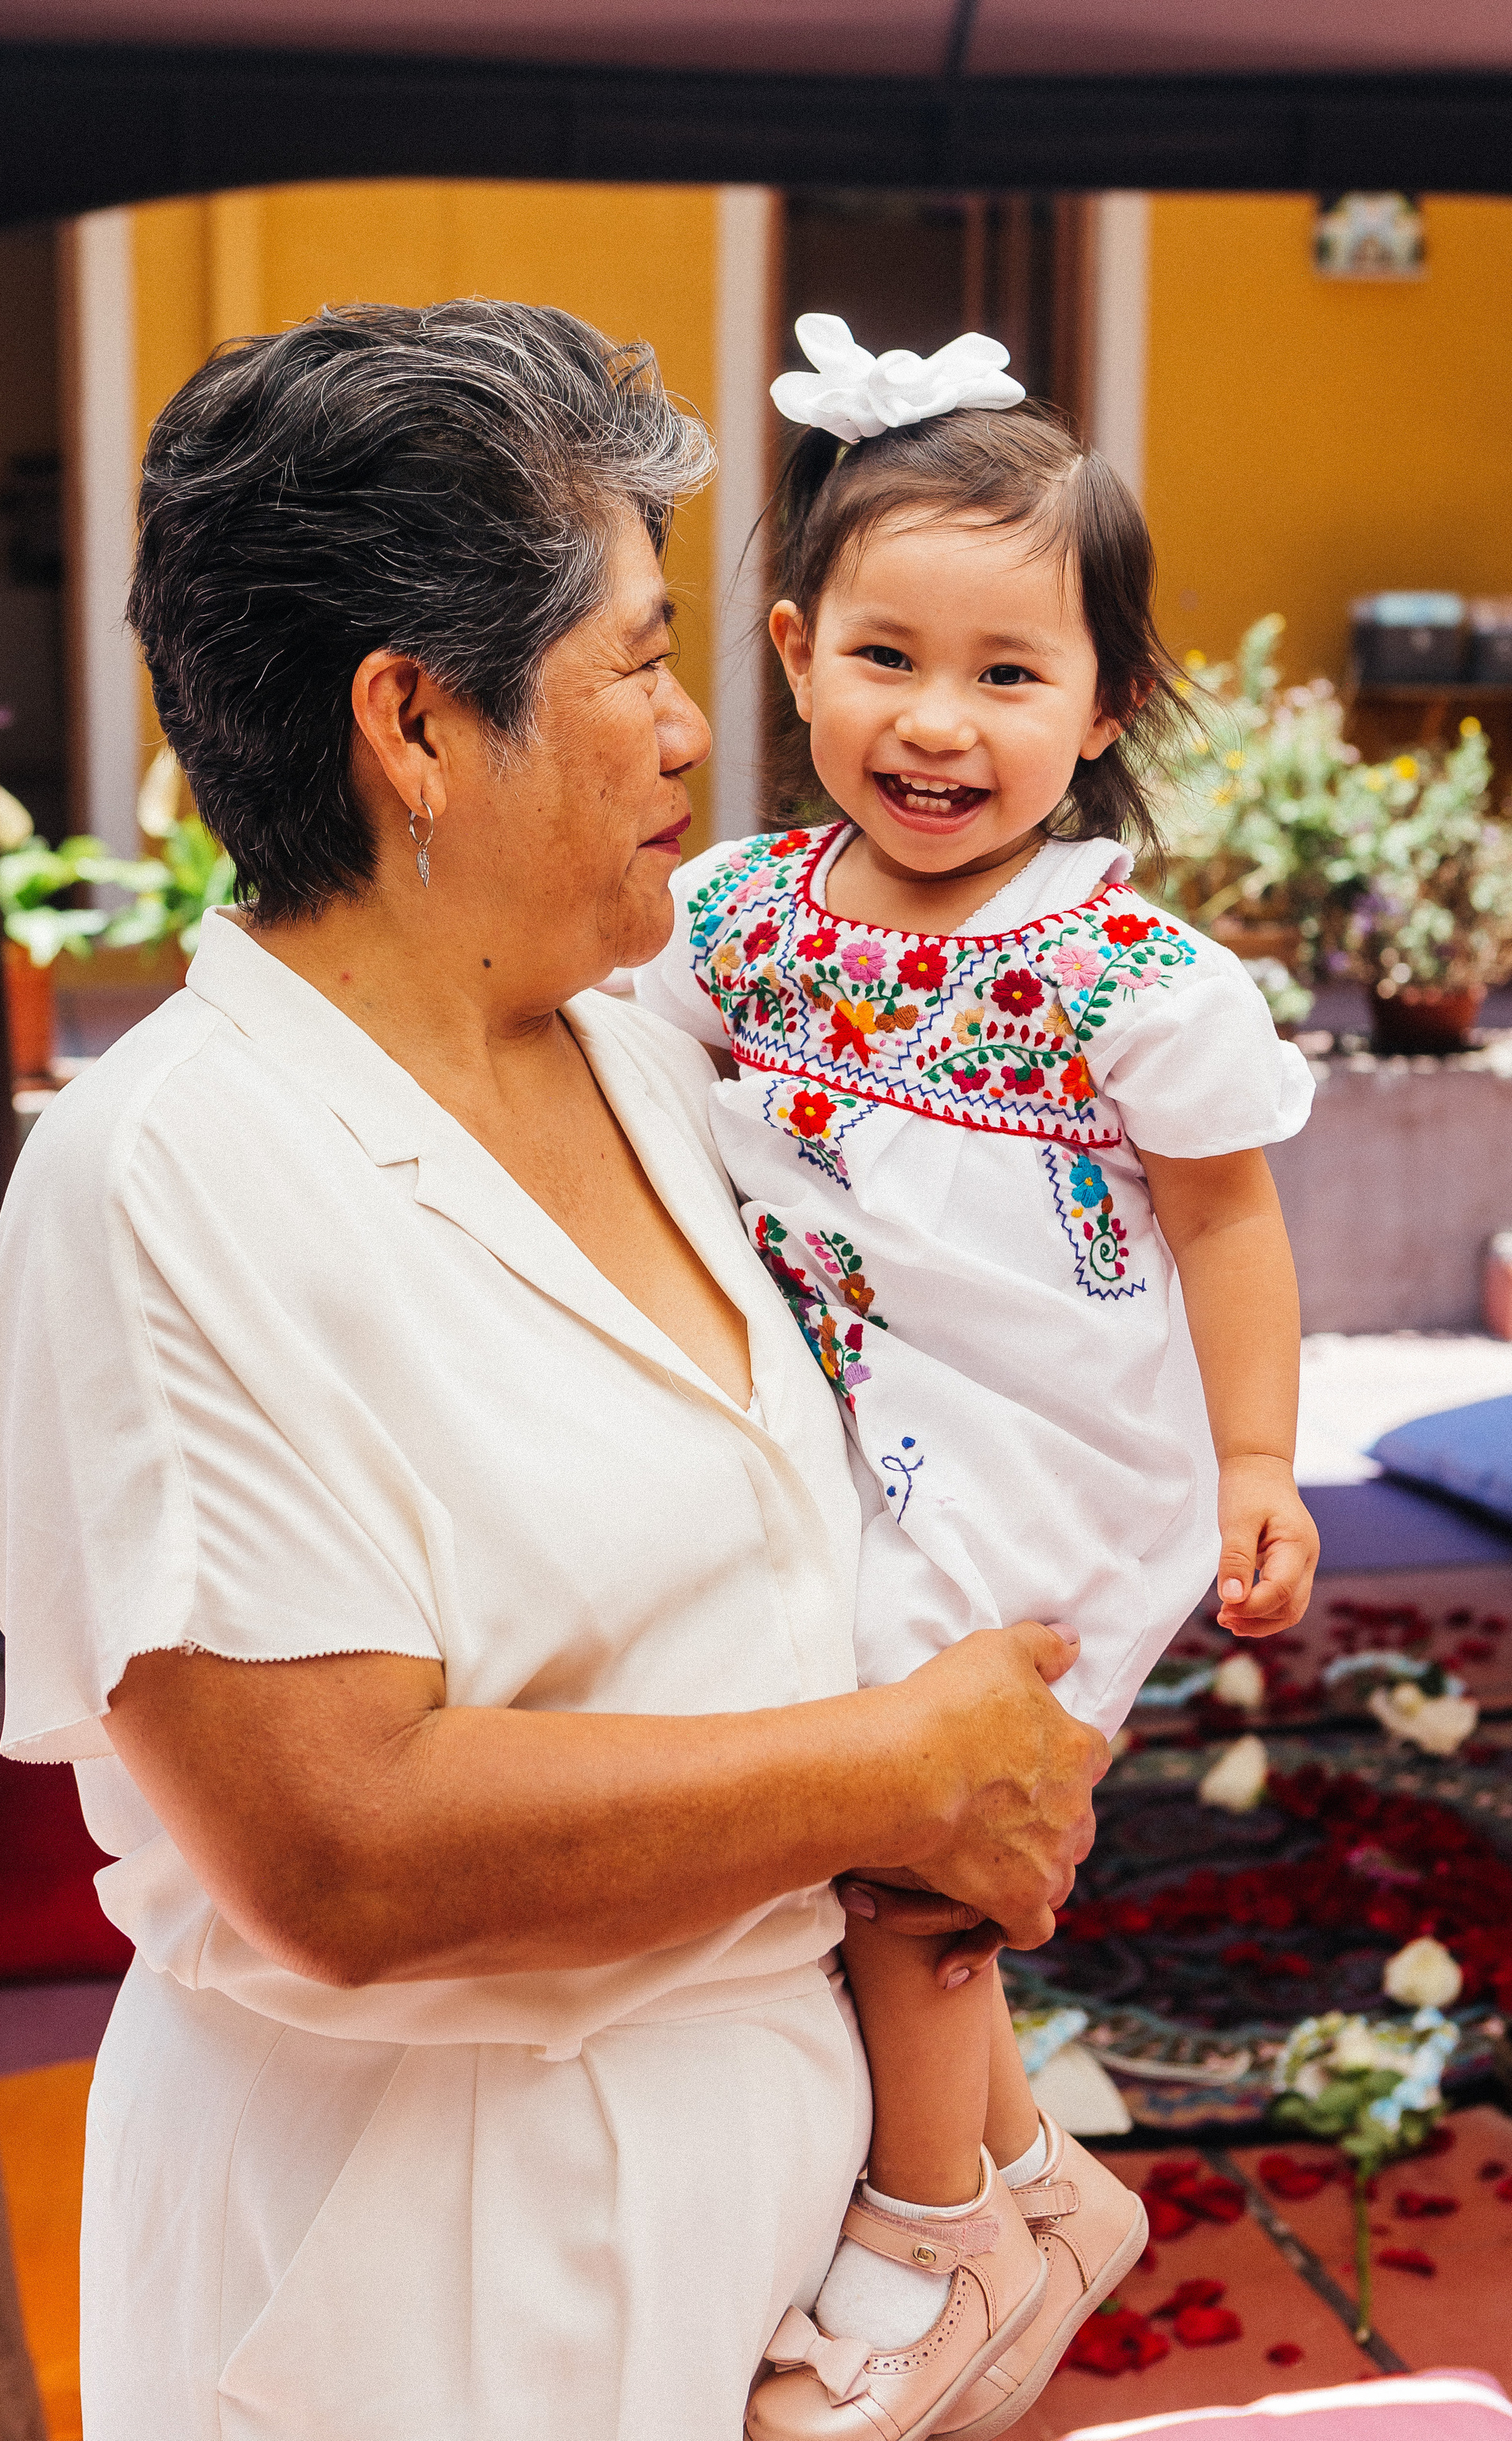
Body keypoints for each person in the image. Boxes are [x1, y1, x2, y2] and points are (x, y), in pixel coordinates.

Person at [0, 300, 1106, 2441]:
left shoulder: (639, 1052)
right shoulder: (174, 1176)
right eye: (642, 659)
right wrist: (900, 1769)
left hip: (752, 2227)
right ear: (413, 722)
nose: (697, 729)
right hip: (429, 2280)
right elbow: (341, 1844)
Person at [636, 313, 1322, 2440]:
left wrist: (1262, 1462)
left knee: (913, 1852)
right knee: (850, 1804)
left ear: (1106, 699)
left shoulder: (1130, 972)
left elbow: (1225, 1223)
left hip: (1049, 1476)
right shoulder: (739, 911)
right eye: (886, 657)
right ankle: (1036, 2180)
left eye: (1010, 677)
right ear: (788, 647)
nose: (939, 725)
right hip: (851, 1440)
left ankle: (929, 2240)